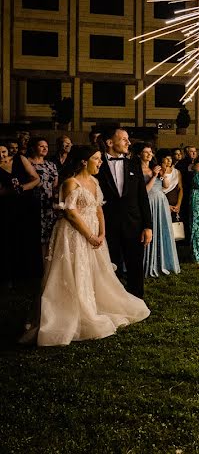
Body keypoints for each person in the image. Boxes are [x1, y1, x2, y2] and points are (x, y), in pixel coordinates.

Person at [22, 145, 150, 347]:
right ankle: (73, 311)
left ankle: (94, 304)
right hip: (73, 234)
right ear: (84, 161)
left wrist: (102, 233)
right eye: (97, 159)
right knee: (73, 270)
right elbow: (71, 214)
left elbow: (99, 209)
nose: (100, 163)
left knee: (95, 271)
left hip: (94, 232)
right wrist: (90, 235)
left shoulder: (94, 181)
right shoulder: (71, 183)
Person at [96, 128, 152, 298]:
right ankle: (114, 299)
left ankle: (137, 299)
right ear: (110, 143)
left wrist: (148, 226)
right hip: (108, 224)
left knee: (135, 264)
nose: (128, 143)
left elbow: (142, 197)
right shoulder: (98, 165)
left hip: (133, 223)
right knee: (112, 264)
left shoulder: (133, 163)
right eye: (124, 139)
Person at [135, 144, 180, 277]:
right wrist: (154, 176)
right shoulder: (138, 170)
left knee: (162, 230)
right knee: (150, 230)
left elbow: (165, 186)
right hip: (148, 202)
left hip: (161, 201)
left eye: (151, 152)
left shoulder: (154, 168)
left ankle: (162, 262)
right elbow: (143, 191)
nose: (149, 154)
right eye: (146, 152)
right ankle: (147, 263)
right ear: (139, 154)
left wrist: (163, 174)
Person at [0, 144, 41, 285]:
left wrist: (22, 188)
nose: (2, 156)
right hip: (6, 207)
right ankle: (10, 276)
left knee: (27, 236)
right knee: (9, 239)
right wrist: (11, 191)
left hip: (27, 204)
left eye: (4, 152)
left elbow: (36, 178)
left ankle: (30, 275)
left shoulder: (20, 159)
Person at [27, 138, 60, 274]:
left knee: (48, 236)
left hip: (48, 204)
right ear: (34, 148)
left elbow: (55, 185)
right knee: (35, 236)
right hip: (33, 203)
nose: (45, 148)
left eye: (46, 146)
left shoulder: (51, 165)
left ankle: (47, 267)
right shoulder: (27, 163)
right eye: (41, 146)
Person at [175, 146, 196, 247]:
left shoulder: (196, 162)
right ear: (186, 153)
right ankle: (185, 237)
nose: (193, 153)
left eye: (194, 151)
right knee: (186, 215)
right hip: (186, 192)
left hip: (194, 192)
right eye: (191, 151)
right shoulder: (182, 164)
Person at [159, 151, 183, 221]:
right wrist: (167, 206)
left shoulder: (176, 172)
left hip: (175, 203)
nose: (169, 160)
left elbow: (180, 189)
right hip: (162, 202)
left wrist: (178, 204)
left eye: (170, 158)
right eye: (167, 158)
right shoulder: (158, 171)